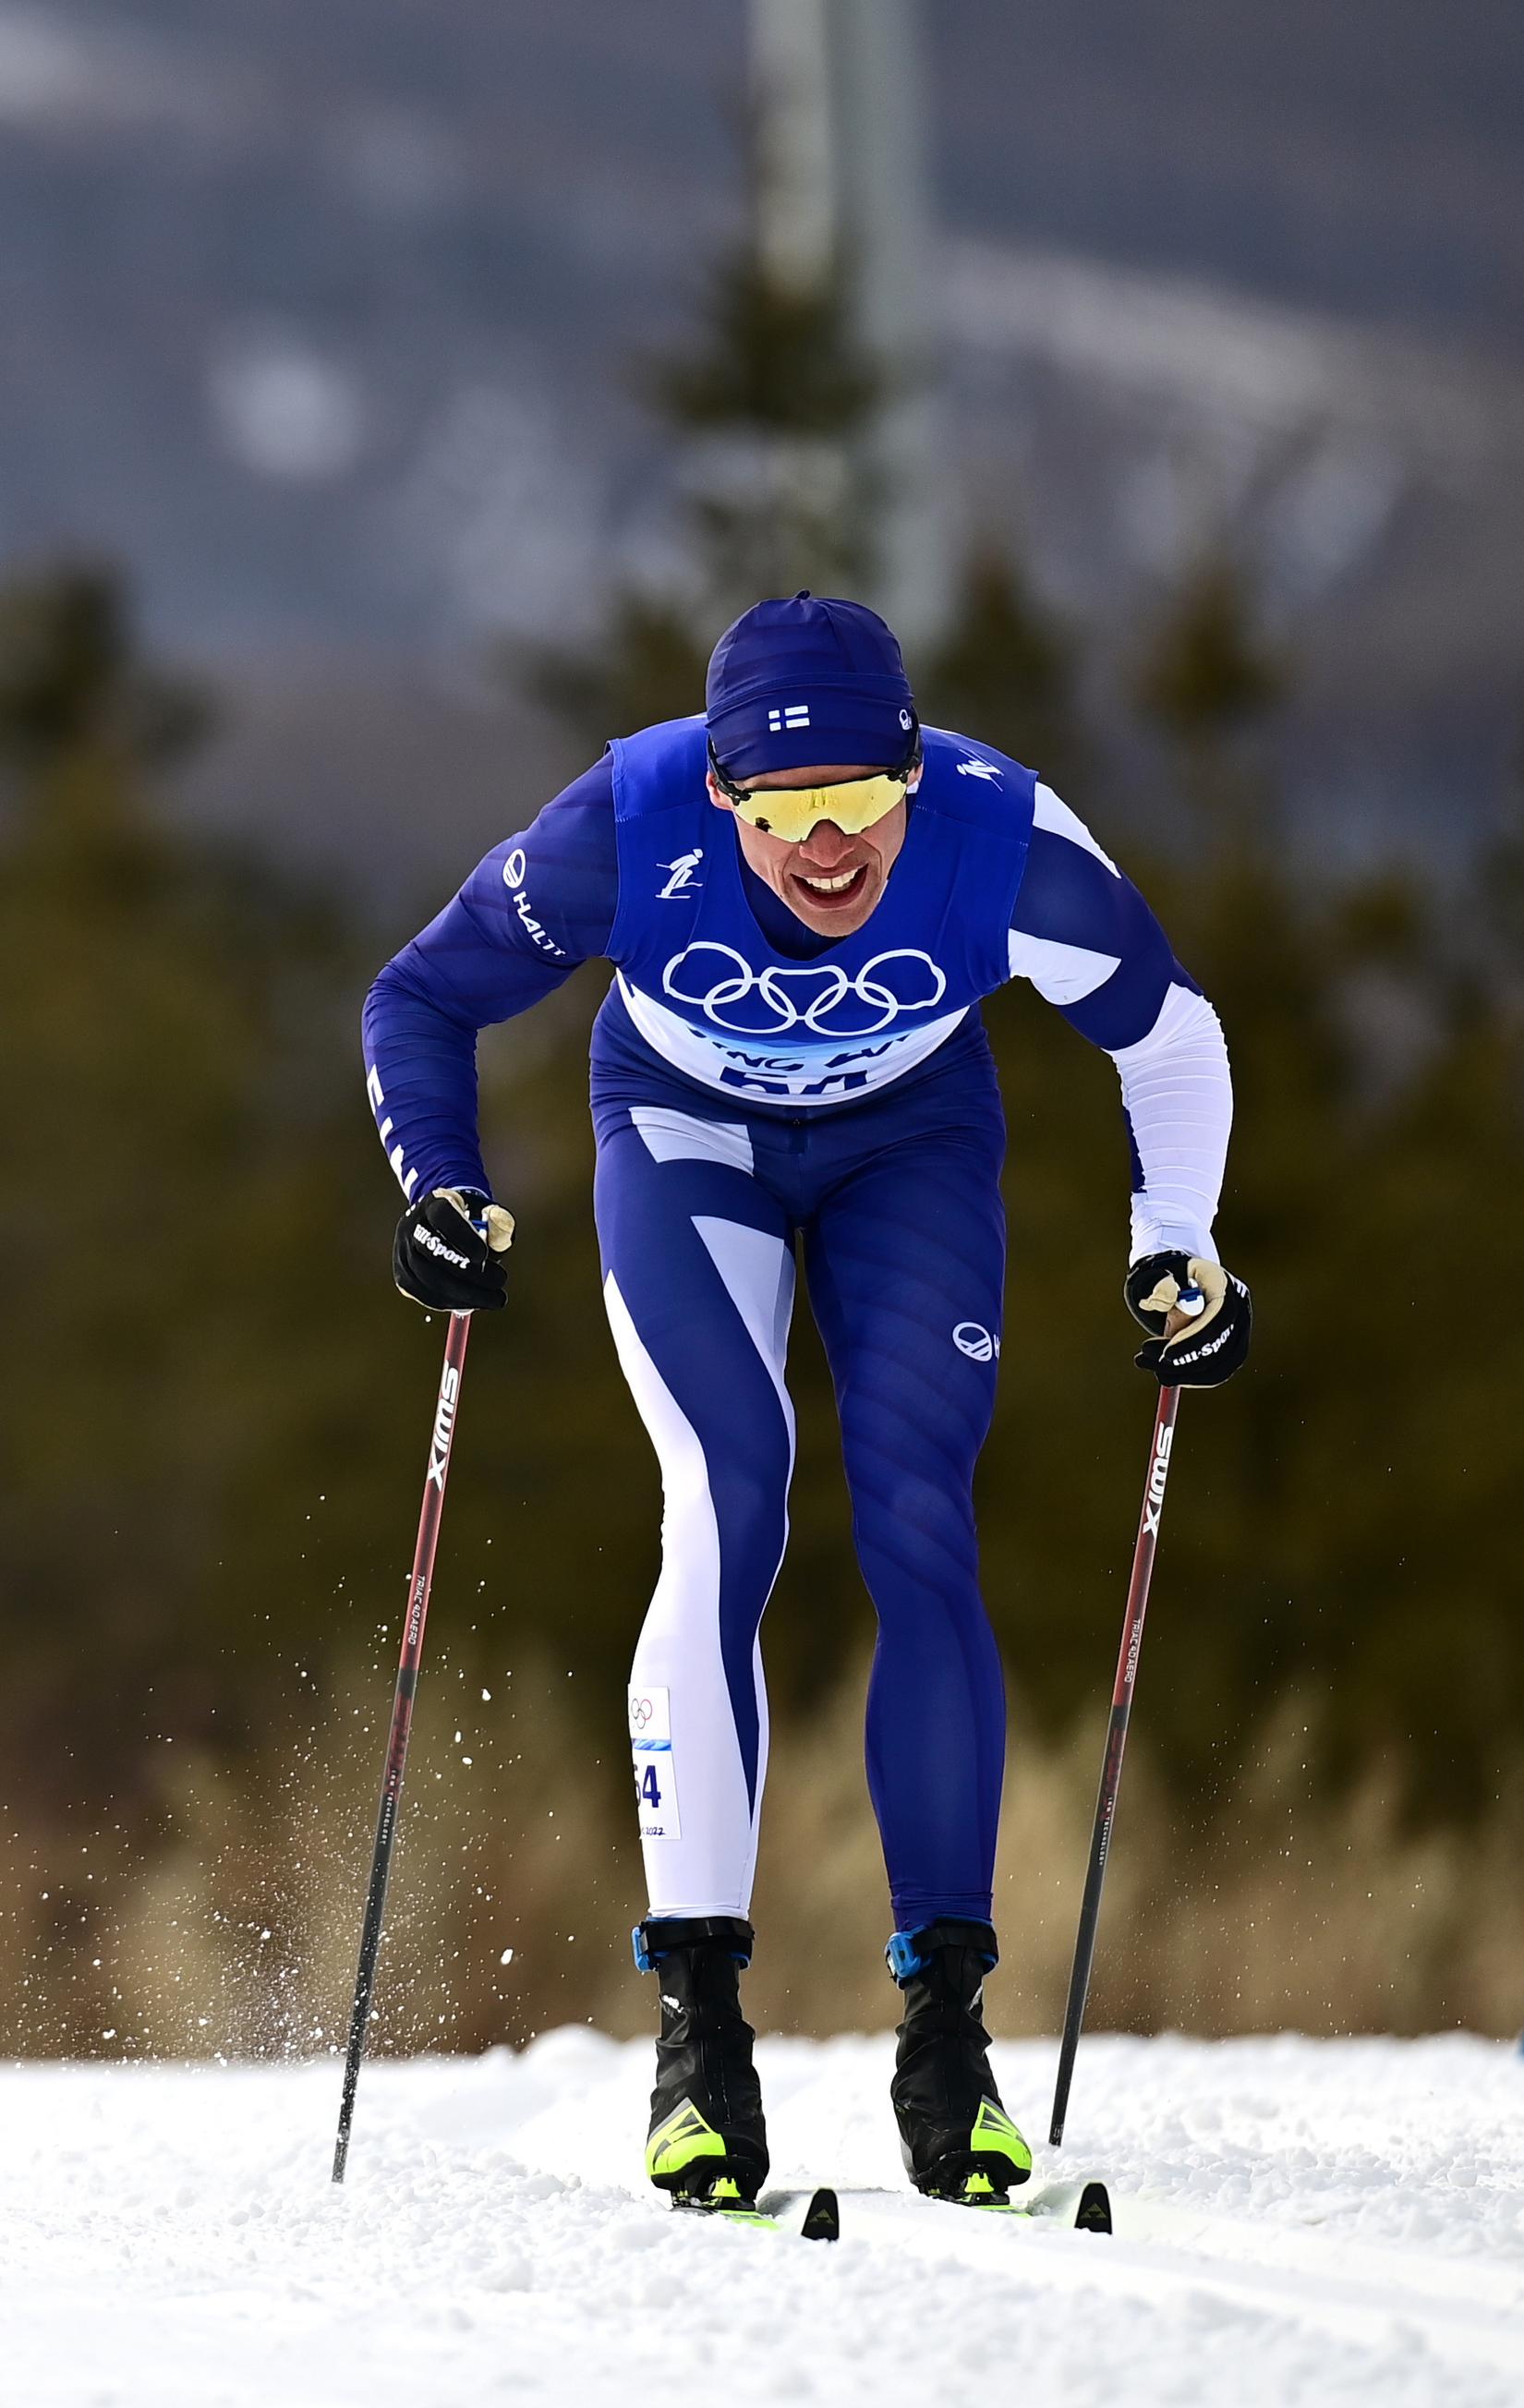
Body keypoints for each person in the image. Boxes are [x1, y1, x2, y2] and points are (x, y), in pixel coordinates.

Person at [361, 595, 1249, 2214]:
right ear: (723, 796)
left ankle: (948, 2043)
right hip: (683, 1135)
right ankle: (699, 2039)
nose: (828, 850)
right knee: (731, 1493)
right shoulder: (623, 827)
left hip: (912, 1145)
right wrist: (440, 1185)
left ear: (917, 780)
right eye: (783, 814)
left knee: (921, 1522)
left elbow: (1169, 1036)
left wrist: (1174, 1243)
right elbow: (419, 1000)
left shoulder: (1004, 839)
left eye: (859, 808)